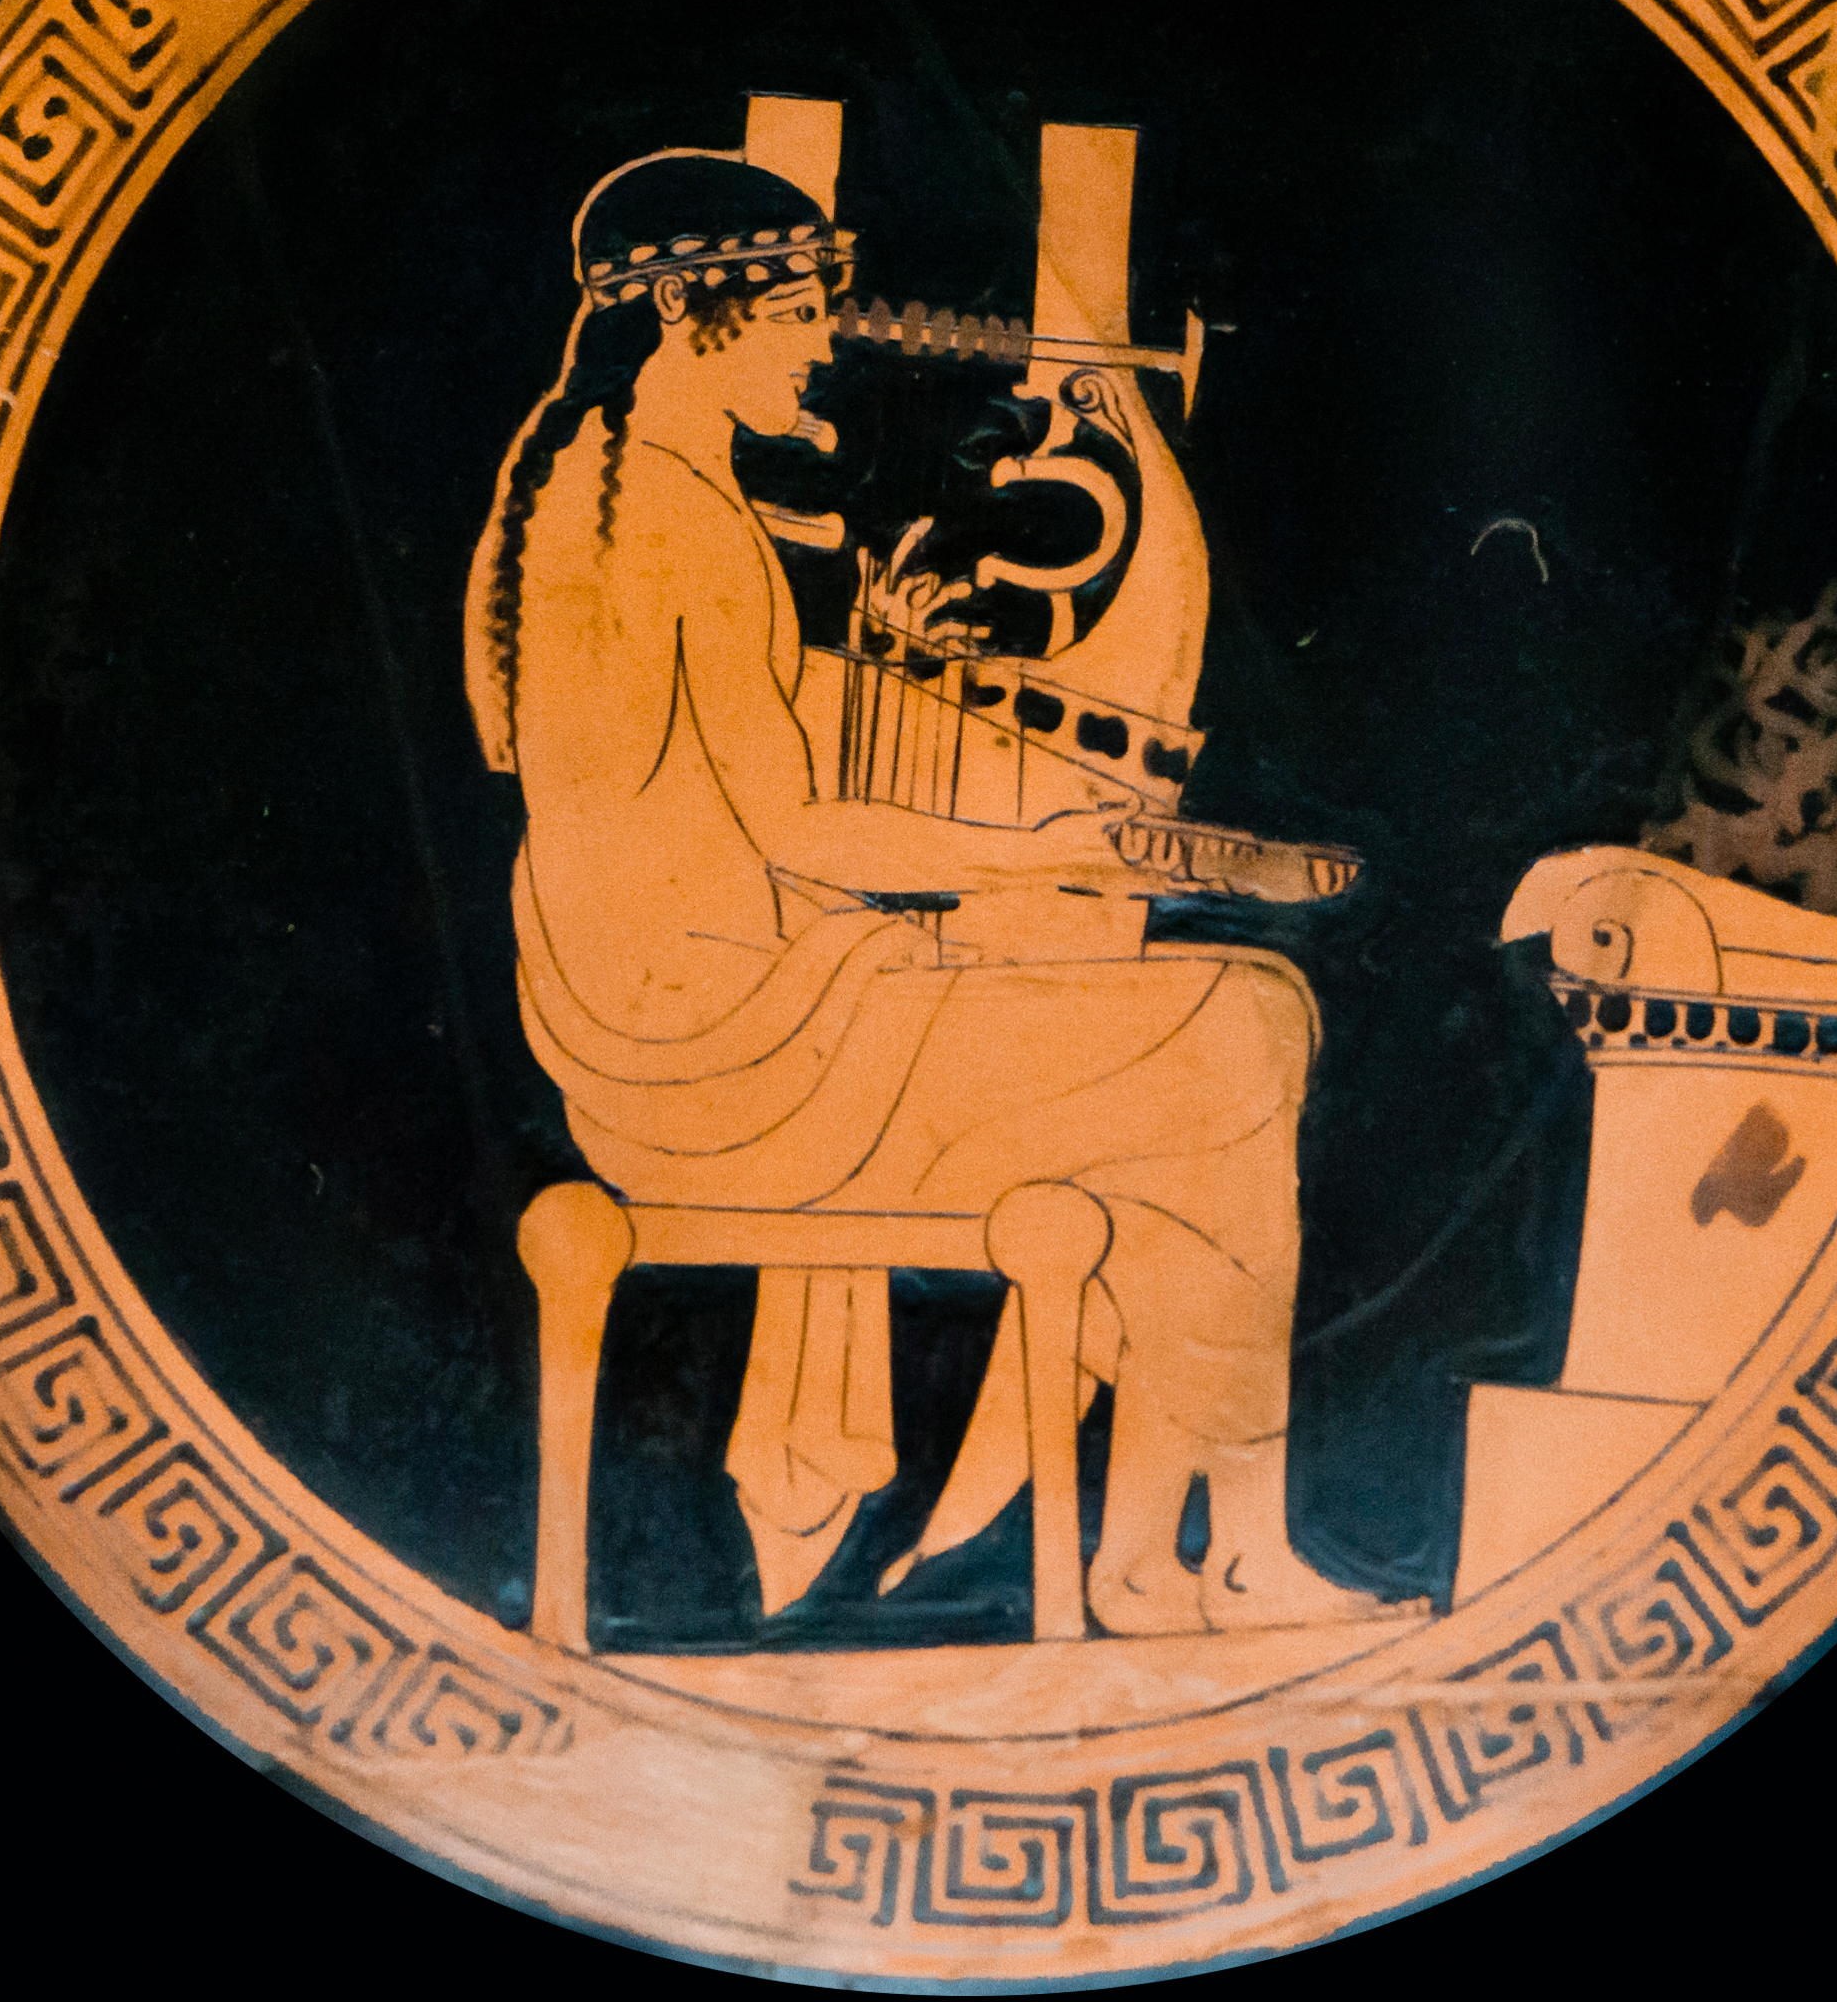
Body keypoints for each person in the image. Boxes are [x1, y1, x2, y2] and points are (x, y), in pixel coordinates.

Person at [466, 150, 1387, 1635]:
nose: (820, 349)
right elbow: (794, 833)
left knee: (1227, 1034)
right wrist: (1057, 849)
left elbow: (664, 780)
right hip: (731, 1057)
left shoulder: (574, 492)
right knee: (1241, 1029)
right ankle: (1210, 1552)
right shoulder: (681, 522)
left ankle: (1166, 1555)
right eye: (794, 316)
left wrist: (875, 684)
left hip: (655, 1027)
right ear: (694, 316)